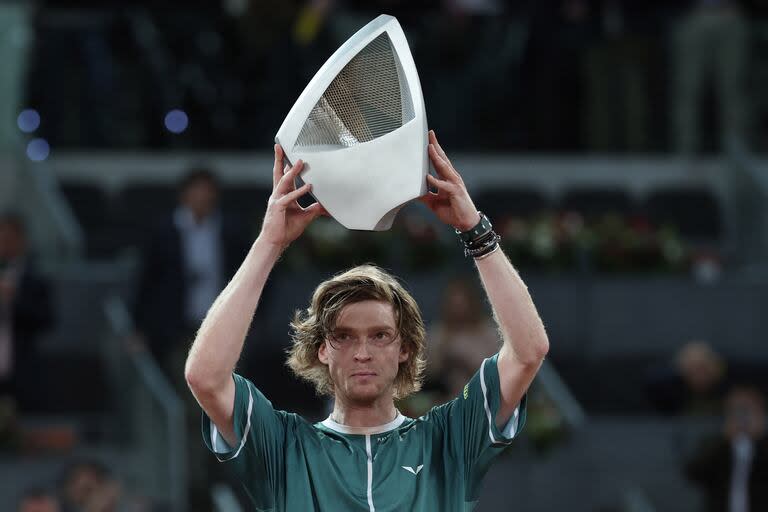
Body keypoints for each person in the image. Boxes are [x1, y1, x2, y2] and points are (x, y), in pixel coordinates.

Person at [185, 130, 549, 510]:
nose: (362, 352)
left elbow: (529, 351)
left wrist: (474, 229)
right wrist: (269, 244)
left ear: (405, 348)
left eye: (380, 336)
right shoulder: (283, 448)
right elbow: (204, 376)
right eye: (343, 336)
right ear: (322, 349)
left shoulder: (448, 442)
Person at [0, 212, 55, 410]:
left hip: (20, 371)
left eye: (9, 238)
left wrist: (13, 301)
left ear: (22, 240)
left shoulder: (36, 278)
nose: (4, 244)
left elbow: (47, 319)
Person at [684, 385, 768, 512]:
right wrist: (725, 442)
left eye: (747, 409)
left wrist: (760, 438)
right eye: (737, 410)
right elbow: (694, 474)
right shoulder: (713, 443)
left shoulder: (764, 444)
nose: (742, 416)